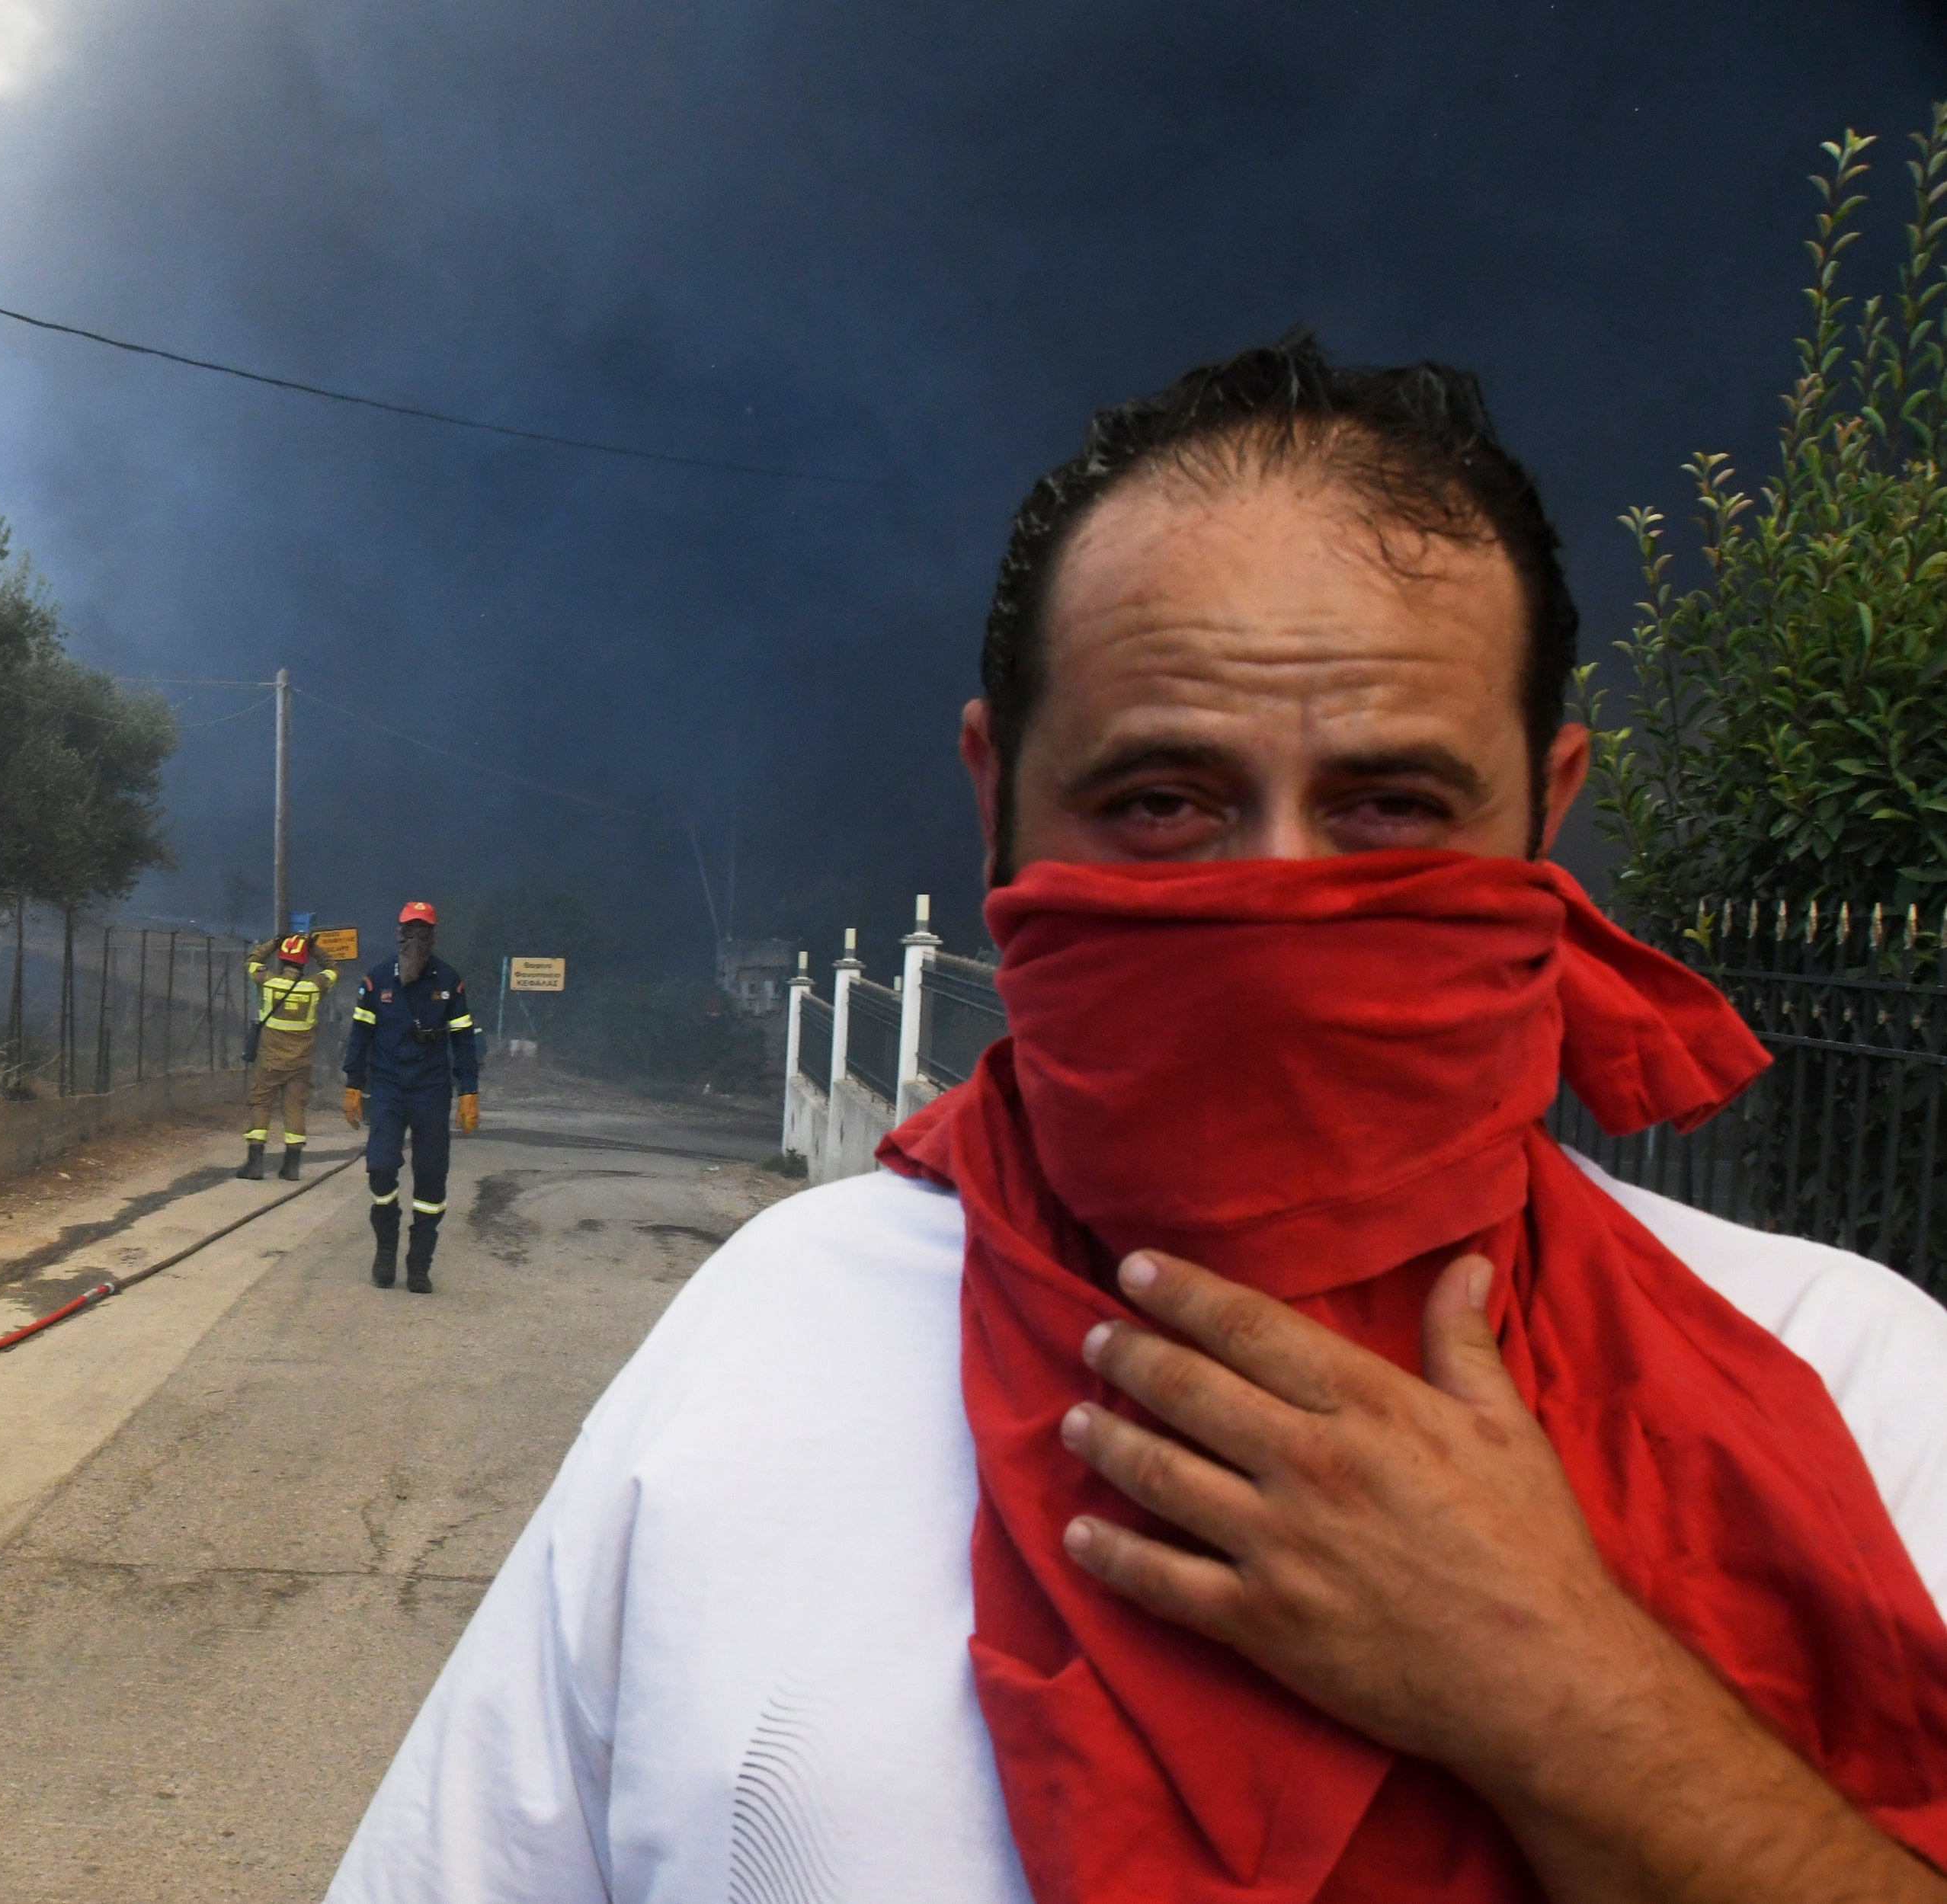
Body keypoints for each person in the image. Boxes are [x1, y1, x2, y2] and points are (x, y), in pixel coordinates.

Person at [328, 338, 1947, 1902]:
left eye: (1388, 805)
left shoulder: (1849, 1385)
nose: (1274, 905)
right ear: (992, 800)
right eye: (1160, 802)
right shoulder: (764, 1338)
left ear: (1549, 804)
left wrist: (1563, 1696)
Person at [343, 900, 482, 1294]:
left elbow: (463, 1040)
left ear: (433, 937)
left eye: (424, 931)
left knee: (432, 1176)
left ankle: (419, 1265)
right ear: (398, 934)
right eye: (410, 930)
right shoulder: (375, 981)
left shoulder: (449, 982)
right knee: (381, 1168)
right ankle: (385, 1250)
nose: (416, 938)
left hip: (431, 1090)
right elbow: (360, 1036)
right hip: (387, 1088)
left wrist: (469, 1090)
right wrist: (354, 1083)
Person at [239, 931, 338, 1180]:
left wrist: (272, 943)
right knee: (295, 1108)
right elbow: (333, 969)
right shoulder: (314, 988)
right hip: (300, 1064)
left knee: (261, 1104)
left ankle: (255, 1164)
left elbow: (251, 961)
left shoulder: (269, 982)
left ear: (282, 960)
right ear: (304, 963)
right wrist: (314, 948)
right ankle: (291, 1167)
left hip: (269, 1062)